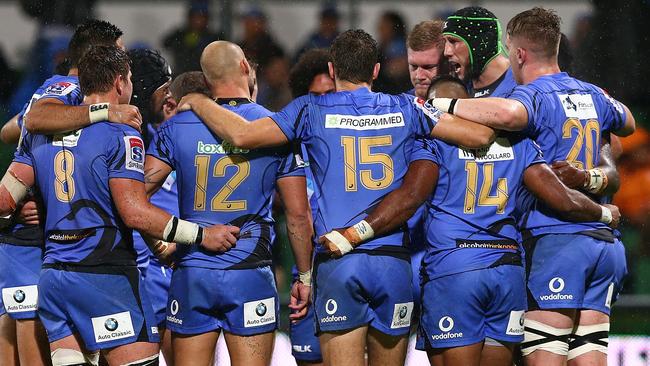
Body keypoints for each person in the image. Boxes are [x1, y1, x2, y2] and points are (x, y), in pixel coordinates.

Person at [177, 30, 495, 366]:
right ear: (375, 71)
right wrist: (440, 104)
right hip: (392, 262)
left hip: (337, 258)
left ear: (331, 70)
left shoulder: (309, 110)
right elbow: (478, 135)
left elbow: (242, 133)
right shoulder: (406, 107)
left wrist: (199, 101)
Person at [319, 75, 621, 366]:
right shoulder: (520, 145)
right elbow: (563, 199)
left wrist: (354, 233)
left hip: (455, 271)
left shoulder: (433, 145)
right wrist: (604, 213)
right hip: (506, 273)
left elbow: (410, 198)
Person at [0, 44, 236, 366]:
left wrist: (35, 206)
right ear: (120, 83)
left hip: (55, 280)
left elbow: (4, 200)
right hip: (106, 278)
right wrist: (201, 236)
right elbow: (134, 212)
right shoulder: (122, 134)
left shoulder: (39, 135)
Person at [429, 8, 635, 365]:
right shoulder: (591, 93)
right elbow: (627, 123)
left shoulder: (534, 95)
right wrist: (595, 177)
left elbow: (509, 116)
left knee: (546, 355)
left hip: (559, 239)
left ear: (520, 54)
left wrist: (443, 103)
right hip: (604, 247)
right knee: (589, 353)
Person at [144, 41, 313, 366]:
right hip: (249, 273)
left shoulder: (175, 127)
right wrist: (303, 276)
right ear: (246, 69)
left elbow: (133, 202)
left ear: (206, 81)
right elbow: (298, 215)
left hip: (193, 272)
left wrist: (161, 245)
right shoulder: (274, 128)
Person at [0, 19, 138, 366]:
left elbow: (11, 130)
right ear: (97, 57)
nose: (124, 63)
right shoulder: (67, 87)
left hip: (44, 237)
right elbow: (33, 120)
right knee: (29, 339)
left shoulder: (56, 96)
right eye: (118, 53)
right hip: (31, 239)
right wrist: (105, 111)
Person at [127, 47, 177, 366]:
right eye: (165, 88)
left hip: (165, 270)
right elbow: (128, 204)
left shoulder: (161, 136)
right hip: (124, 271)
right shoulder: (116, 133)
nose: (170, 97)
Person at [286, 47, 335, 366]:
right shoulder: (289, 144)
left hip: (348, 268)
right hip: (305, 273)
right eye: (315, 97)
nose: (322, 104)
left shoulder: (359, 143)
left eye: (329, 94)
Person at [442, 7, 514, 98]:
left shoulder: (524, 84)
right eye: (445, 42)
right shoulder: (455, 88)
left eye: (453, 41)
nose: (446, 52)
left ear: (478, 44)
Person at [162, 1, 222, 75]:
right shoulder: (180, 34)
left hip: (205, 76)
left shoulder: (213, 37)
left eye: (201, 17)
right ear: (189, 18)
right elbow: (166, 43)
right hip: (181, 75)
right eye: (195, 17)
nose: (198, 21)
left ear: (207, 19)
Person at [406, 20, 448, 99]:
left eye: (428, 67)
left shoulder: (472, 104)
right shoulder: (397, 107)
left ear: (449, 63)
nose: (419, 76)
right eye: (414, 66)